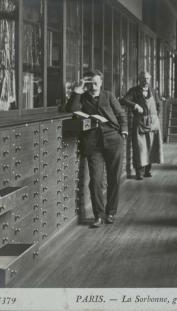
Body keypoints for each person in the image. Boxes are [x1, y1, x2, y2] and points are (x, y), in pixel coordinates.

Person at [65, 69, 127, 227]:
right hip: (93, 143)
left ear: (101, 82)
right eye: (90, 82)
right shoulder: (82, 97)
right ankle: (98, 215)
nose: (93, 85)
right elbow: (71, 110)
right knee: (95, 181)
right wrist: (77, 92)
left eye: (96, 82)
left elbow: (120, 114)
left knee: (114, 178)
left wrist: (124, 131)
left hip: (113, 139)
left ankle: (111, 212)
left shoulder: (108, 95)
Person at [120, 71, 163, 180]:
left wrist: (156, 115)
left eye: (148, 79)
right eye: (143, 79)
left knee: (151, 147)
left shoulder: (153, 91)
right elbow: (123, 100)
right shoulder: (134, 91)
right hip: (140, 123)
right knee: (140, 148)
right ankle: (139, 172)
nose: (146, 81)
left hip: (153, 123)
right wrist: (135, 105)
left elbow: (158, 104)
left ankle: (148, 170)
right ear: (139, 80)